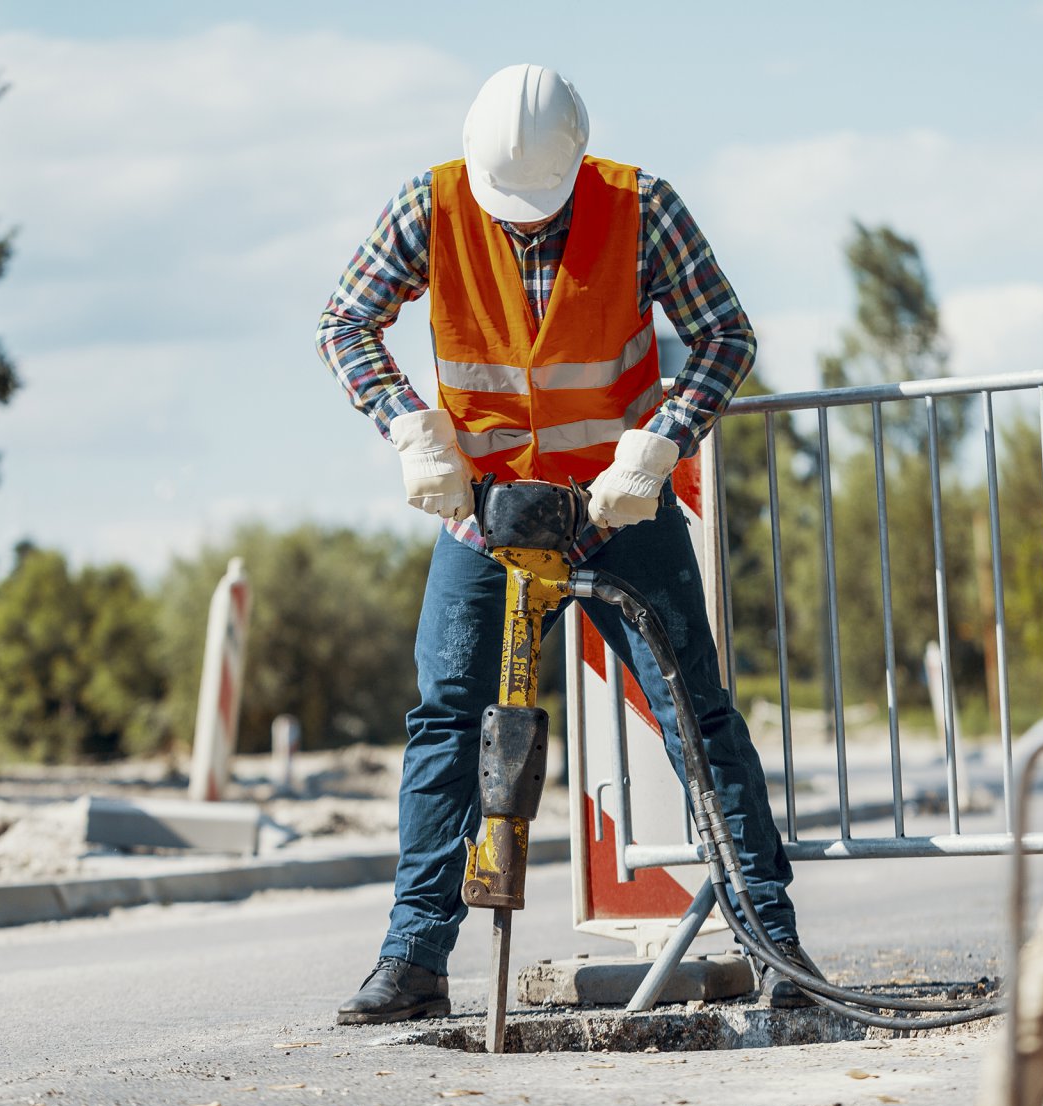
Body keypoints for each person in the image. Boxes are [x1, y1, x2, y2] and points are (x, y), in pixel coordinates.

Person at [316, 63, 817, 1024]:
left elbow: (725, 335)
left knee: (696, 715)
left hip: (617, 507)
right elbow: (346, 322)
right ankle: (414, 958)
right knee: (448, 720)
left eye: (537, 209)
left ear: (576, 164)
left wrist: (661, 442)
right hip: (488, 513)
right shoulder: (434, 203)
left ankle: (773, 942)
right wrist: (409, 425)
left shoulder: (642, 206)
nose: (520, 223)